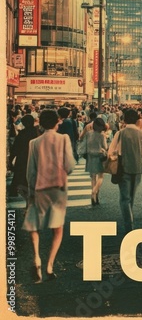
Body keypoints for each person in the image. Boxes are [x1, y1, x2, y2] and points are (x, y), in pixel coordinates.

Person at [22, 109, 76, 283]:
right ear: (56, 122)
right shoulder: (63, 139)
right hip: (58, 189)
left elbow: (31, 171)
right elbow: (70, 165)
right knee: (57, 230)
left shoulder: (34, 143)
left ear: (41, 123)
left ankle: (37, 256)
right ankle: (49, 265)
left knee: (34, 226)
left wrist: (30, 194)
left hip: (40, 188)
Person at [109, 108, 142, 233]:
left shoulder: (120, 133)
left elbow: (111, 151)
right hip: (137, 168)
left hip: (123, 168)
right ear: (137, 120)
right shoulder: (141, 134)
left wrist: (116, 154)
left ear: (124, 119)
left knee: (124, 198)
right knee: (132, 196)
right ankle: (130, 218)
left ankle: (128, 224)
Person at [8, 114, 39, 204]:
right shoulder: (37, 132)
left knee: (20, 176)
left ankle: (17, 192)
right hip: (34, 158)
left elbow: (15, 149)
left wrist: (10, 160)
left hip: (22, 158)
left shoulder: (21, 134)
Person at [83, 117, 108, 206]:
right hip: (99, 156)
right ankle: (94, 192)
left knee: (93, 177)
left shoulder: (88, 134)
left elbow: (85, 144)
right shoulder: (102, 135)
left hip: (90, 157)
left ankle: (94, 198)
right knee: (101, 176)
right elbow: (105, 147)